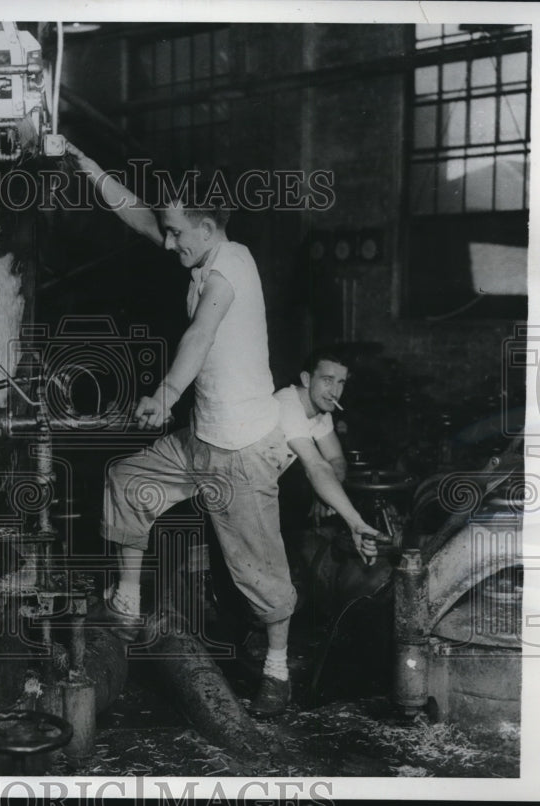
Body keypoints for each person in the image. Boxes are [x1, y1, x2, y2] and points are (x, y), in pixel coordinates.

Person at [67, 142, 299, 716]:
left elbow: (200, 334)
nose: (168, 243)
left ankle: (278, 669)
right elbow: (137, 214)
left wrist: (167, 393)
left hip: (241, 449)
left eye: (176, 234)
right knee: (126, 480)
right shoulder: (198, 250)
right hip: (201, 438)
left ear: (207, 226)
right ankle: (127, 602)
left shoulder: (231, 266)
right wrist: (87, 167)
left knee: (260, 572)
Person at [273, 349, 381, 565]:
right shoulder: (287, 403)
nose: (335, 392)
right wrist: (355, 522)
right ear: (306, 379)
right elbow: (316, 466)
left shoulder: (321, 412)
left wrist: (324, 495)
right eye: (327, 380)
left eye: (341, 382)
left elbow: (336, 460)